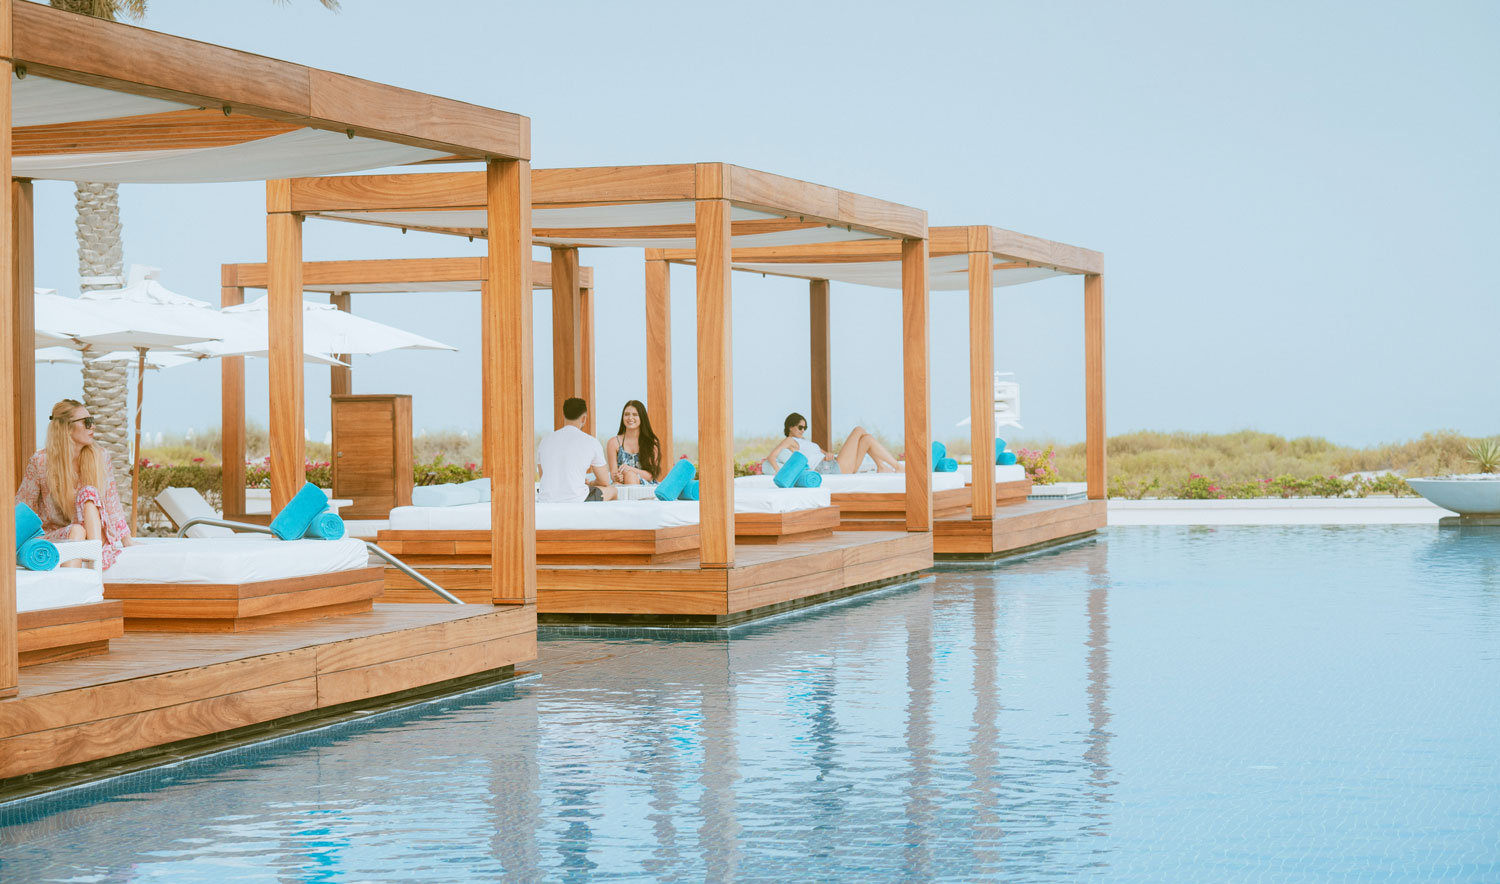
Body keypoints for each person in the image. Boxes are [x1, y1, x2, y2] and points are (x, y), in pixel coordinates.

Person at [15, 399, 135, 569]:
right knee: (77, 530)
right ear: (66, 427)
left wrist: (127, 541)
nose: (92, 427)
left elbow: (112, 502)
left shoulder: (100, 456)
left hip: (95, 535)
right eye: (87, 422)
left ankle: (96, 556)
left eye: (92, 421)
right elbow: (23, 505)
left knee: (89, 492)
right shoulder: (41, 462)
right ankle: (79, 577)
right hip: (59, 535)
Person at [763, 412, 902, 477]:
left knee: (867, 439)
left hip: (833, 463)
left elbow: (823, 452)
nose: (803, 430)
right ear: (790, 427)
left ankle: (881, 467)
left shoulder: (804, 441)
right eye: (800, 427)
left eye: (805, 427)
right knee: (858, 430)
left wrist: (828, 454)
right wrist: (779, 473)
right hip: (828, 468)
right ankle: (897, 467)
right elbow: (772, 456)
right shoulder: (789, 441)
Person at [537, 397, 617, 502]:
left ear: (564, 415)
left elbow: (543, 475)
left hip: (546, 499)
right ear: (584, 418)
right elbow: (604, 481)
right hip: (577, 499)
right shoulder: (591, 442)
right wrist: (590, 483)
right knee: (613, 490)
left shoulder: (545, 441)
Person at [604, 400, 662, 485]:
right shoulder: (613, 442)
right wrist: (617, 477)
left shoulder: (651, 442)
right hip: (621, 485)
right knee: (616, 484)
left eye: (635, 414)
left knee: (630, 475)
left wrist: (630, 470)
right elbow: (613, 473)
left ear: (642, 417)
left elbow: (651, 476)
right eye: (626, 414)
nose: (630, 418)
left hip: (646, 486)